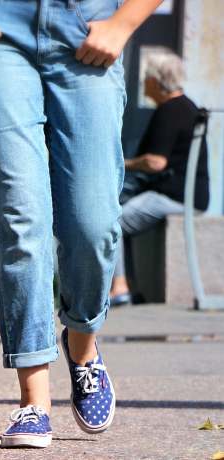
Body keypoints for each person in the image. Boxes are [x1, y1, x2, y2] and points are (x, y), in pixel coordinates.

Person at [0, 0, 161, 448]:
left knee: (93, 222)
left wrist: (124, 23)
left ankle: (82, 344)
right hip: (1, 30)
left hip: (88, 24)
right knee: (19, 217)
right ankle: (34, 401)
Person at [109, 48, 209, 306]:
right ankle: (130, 286)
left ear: (155, 80)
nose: (144, 83)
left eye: (146, 78)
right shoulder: (187, 107)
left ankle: (120, 287)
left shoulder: (170, 110)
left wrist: (121, 163)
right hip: (187, 195)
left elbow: (155, 162)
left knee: (113, 221)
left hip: (174, 196)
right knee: (120, 213)